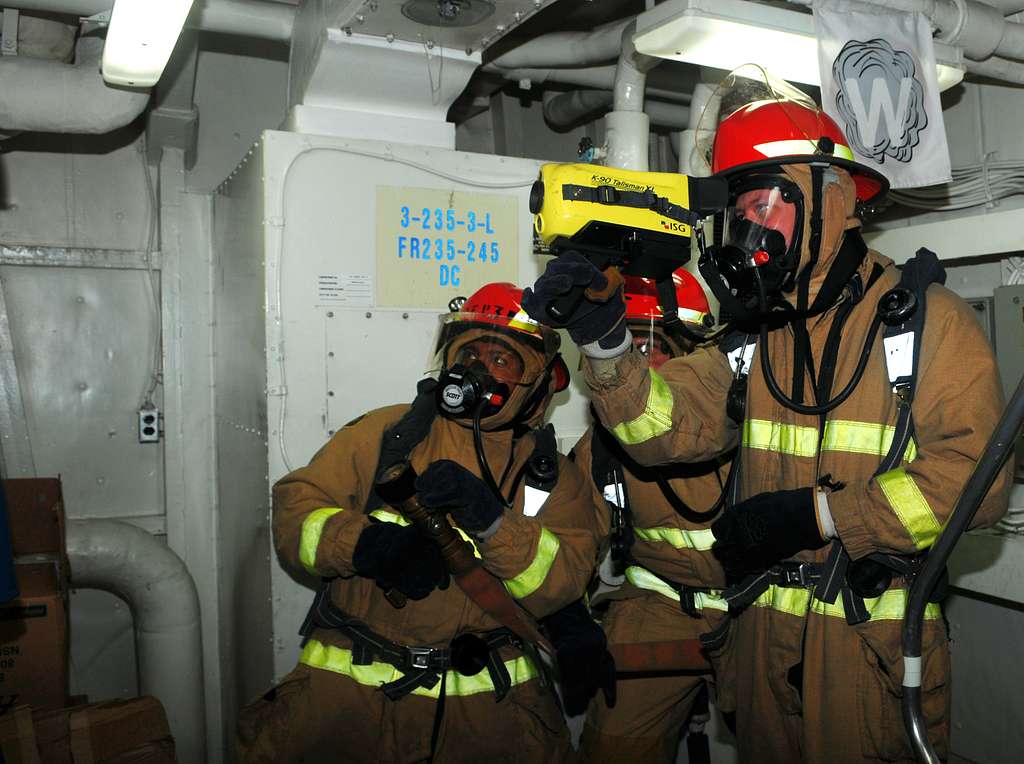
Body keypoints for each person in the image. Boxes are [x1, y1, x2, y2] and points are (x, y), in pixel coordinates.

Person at [522, 72, 1012, 763]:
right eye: (739, 210)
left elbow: (977, 485)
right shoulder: (753, 337)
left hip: (866, 653)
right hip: (759, 653)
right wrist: (606, 340)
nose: (746, 228)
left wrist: (826, 517)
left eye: (763, 202)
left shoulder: (928, 324)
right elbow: (661, 431)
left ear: (829, 200)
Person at [236, 282, 600, 763]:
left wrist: (494, 523)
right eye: (469, 354)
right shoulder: (387, 434)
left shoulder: (552, 477)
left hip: (491, 715)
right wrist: (368, 546)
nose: (477, 371)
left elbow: (564, 581)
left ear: (536, 384)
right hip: (349, 704)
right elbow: (295, 512)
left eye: (500, 361)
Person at [571, 269, 731, 763]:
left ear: (690, 350)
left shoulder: (756, 425)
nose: (635, 366)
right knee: (614, 748)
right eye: (623, 349)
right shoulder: (598, 448)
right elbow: (570, 543)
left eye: (648, 346)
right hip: (657, 608)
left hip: (760, 609)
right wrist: (566, 619)